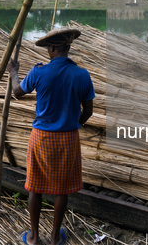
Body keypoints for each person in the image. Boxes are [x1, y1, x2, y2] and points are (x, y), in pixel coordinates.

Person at [8, 28, 95, 245]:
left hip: (41, 137)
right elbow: (88, 111)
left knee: (35, 186)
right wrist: (75, 123)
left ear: (54, 48)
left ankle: (34, 237)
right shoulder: (82, 75)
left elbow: (17, 92)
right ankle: (56, 237)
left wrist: (13, 72)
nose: (48, 51)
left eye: (49, 48)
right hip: (68, 138)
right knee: (62, 189)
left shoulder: (39, 72)